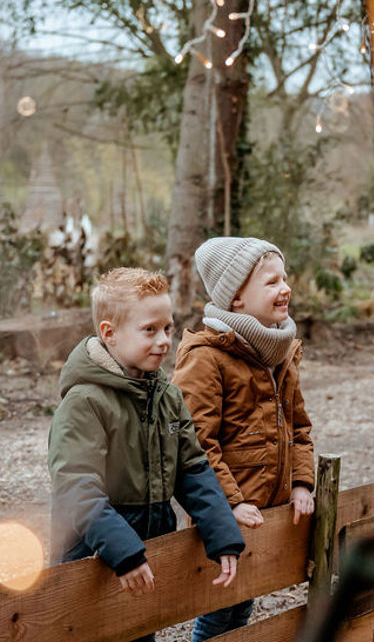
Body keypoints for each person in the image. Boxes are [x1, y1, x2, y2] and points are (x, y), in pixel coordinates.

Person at [48, 267, 246, 642]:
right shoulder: (85, 402)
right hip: (91, 557)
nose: (164, 341)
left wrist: (223, 538)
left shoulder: (166, 396)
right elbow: (76, 488)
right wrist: (125, 552)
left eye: (168, 328)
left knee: (139, 630)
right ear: (109, 333)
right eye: (149, 330)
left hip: (146, 554)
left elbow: (192, 469)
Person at [174, 236, 315, 642]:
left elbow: (299, 427)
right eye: (271, 282)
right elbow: (196, 442)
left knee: (243, 607)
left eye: (284, 278)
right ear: (236, 298)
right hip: (228, 514)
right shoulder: (207, 357)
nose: (285, 288)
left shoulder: (280, 351)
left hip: (264, 514)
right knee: (220, 616)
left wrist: (302, 482)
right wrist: (230, 503)